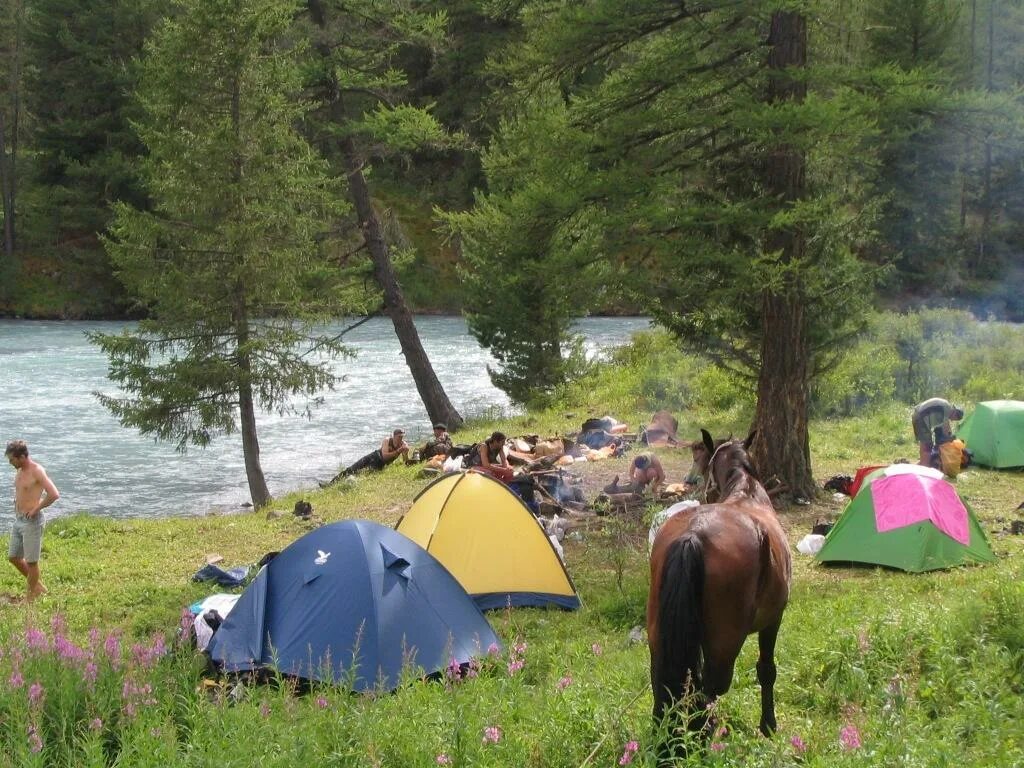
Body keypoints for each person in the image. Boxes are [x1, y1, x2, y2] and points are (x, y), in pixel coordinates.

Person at [6, 440, 60, 602]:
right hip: (19, 520)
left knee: (31, 562)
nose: (10, 463)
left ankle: (30, 599)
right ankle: (39, 588)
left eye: (12, 460)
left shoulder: (37, 471)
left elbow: (53, 493)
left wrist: (36, 508)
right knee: (14, 557)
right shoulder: (20, 470)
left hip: (32, 522)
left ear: (22, 456)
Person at [322, 429, 411, 485]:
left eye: (402, 437)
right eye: (399, 437)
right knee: (352, 469)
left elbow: (405, 461)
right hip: (375, 456)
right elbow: (384, 456)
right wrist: (398, 451)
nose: (401, 439)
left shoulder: (403, 445)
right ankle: (330, 484)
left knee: (362, 474)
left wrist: (405, 453)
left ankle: (346, 485)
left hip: (380, 464)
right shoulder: (387, 440)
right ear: (394, 436)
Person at [912, 398, 964, 467]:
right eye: (954, 418)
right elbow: (945, 429)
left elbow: (945, 427)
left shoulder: (945, 408)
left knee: (925, 443)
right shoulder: (947, 409)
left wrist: (949, 436)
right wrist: (950, 439)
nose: (951, 420)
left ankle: (921, 463)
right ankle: (924, 466)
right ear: (955, 412)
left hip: (918, 414)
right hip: (920, 417)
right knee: (927, 445)